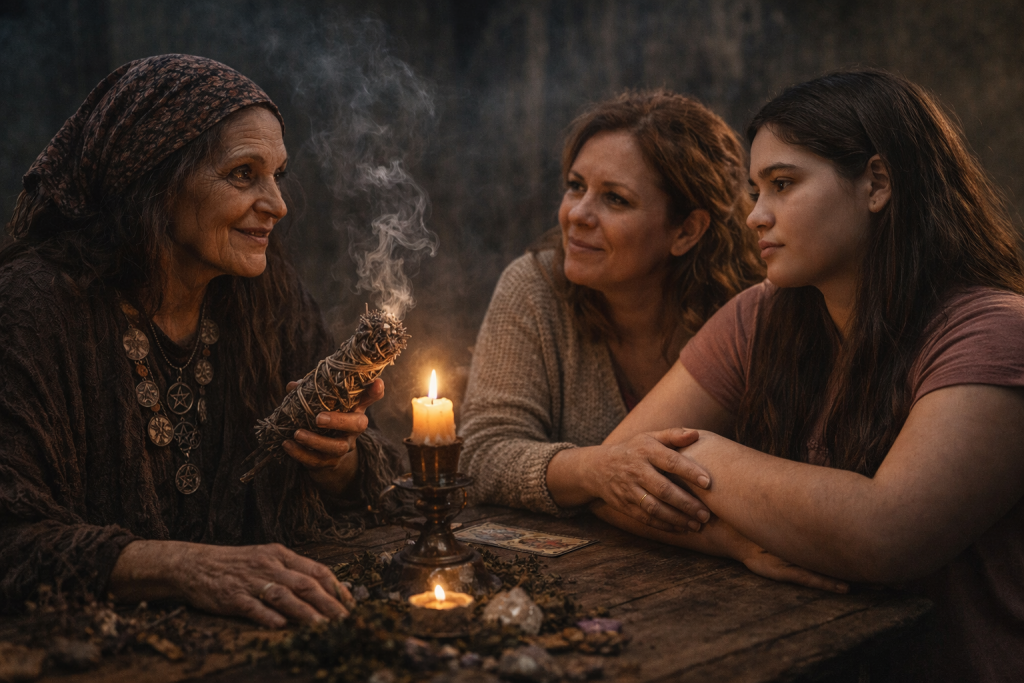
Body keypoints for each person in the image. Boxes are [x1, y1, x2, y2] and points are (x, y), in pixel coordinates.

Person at [594, 70, 1024, 682]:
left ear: (876, 183)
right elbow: (616, 476)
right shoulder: (761, 314)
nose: (754, 217)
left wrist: (708, 457)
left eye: (783, 184)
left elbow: (888, 535)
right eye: (753, 191)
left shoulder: (995, 332)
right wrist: (734, 542)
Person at [0, 54, 402, 628]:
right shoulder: (34, 308)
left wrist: (333, 460)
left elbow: (371, 477)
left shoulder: (266, 297)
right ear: (155, 178)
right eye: (243, 174)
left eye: (278, 175)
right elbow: (11, 535)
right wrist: (185, 567)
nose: (278, 205)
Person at [460, 91, 835, 589]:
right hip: (573, 581)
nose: (577, 215)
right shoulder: (534, 288)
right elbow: (482, 454)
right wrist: (598, 469)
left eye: (615, 199)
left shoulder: (757, 311)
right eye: (575, 187)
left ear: (686, 231)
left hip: (740, 590)